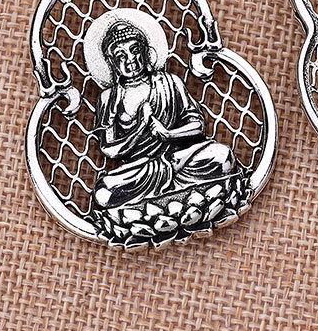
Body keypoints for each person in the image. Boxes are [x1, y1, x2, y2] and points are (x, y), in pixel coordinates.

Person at [91, 21, 233, 209]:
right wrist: (141, 127)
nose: (131, 59)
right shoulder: (109, 97)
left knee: (222, 155)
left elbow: (198, 125)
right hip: (140, 171)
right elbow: (109, 149)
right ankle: (186, 195)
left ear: (146, 52)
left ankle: (157, 201)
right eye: (121, 56)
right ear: (112, 62)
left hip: (178, 158)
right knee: (104, 192)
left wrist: (169, 134)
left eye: (135, 50)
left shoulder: (170, 83)